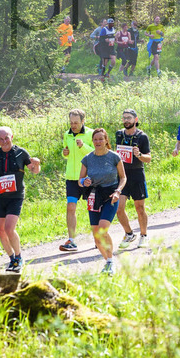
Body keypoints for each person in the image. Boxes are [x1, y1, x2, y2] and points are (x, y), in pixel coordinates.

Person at [0, 126, 41, 273]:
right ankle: (11, 259)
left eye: (7, 138)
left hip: (16, 196)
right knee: (0, 230)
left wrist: (37, 164)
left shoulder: (21, 153)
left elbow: (34, 170)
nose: (4, 141)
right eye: (1, 139)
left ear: (12, 137)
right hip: (1, 197)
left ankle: (19, 257)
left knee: (9, 228)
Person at [79, 128, 127, 274]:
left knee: (102, 229)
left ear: (106, 140)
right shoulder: (87, 158)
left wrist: (118, 191)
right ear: (92, 141)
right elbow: (80, 181)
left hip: (111, 195)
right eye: (95, 139)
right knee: (96, 234)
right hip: (94, 195)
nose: (98, 142)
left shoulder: (114, 157)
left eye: (101, 139)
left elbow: (123, 177)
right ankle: (107, 261)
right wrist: (84, 181)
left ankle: (111, 261)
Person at [115, 109, 152, 250]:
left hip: (137, 173)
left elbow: (148, 159)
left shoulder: (142, 137)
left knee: (140, 207)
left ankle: (144, 235)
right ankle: (129, 233)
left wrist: (139, 155)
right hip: (122, 175)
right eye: (124, 118)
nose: (126, 120)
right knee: (119, 208)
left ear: (136, 119)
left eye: (129, 118)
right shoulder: (119, 134)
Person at [60, 109, 93, 252]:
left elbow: (96, 153)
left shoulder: (91, 134)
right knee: (70, 207)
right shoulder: (67, 134)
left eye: (76, 122)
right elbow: (66, 153)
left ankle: (99, 238)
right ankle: (72, 240)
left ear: (83, 121)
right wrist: (64, 153)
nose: (73, 125)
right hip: (72, 178)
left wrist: (83, 146)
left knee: (93, 209)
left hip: (87, 177)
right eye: (71, 122)